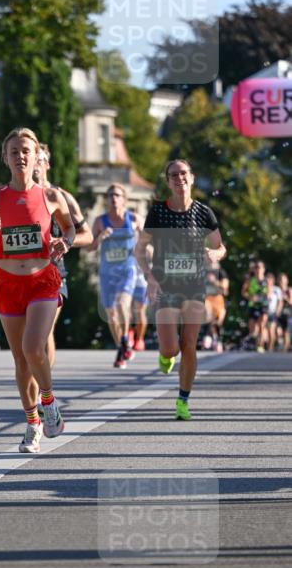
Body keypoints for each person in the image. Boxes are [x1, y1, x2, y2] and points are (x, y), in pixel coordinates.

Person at [0, 127, 75, 453]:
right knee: (20, 362)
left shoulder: (51, 196)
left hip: (42, 279)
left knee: (34, 348)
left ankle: (49, 402)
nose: (21, 156)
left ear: (35, 157)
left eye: (26, 151)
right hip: (7, 283)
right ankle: (32, 424)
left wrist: (64, 242)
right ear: (5, 158)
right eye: (14, 151)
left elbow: (70, 228)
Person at [135, 158, 226, 420]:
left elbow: (221, 246)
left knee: (189, 344)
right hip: (166, 285)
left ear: (192, 177)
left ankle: (183, 400)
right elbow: (139, 249)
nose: (179, 178)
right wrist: (149, 277)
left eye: (183, 173)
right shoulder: (158, 213)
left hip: (194, 286)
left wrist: (215, 254)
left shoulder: (204, 213)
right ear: (168, 182)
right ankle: (166, 356)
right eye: (173, 175)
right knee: (170, 348)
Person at [34, 143, 93, 367]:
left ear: (47, 164)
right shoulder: (20, 197)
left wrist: (66, 241)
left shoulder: (62, 197)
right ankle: (34, 381)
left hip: (54, 272)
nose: (35, 165)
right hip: (25, 272)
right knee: (28, 336)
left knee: (44, 330)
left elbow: (87, 236)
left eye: (40, 160)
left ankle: (44, 391)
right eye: (33, 159)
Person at [88, 183, 145, 368]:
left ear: (124, 200)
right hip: (107, 273)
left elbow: (149, 241)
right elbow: (88, 247)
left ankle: (124, 347)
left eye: (117, 195)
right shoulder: (99, 221)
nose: (114, 198)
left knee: (122, 304)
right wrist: (99, 238)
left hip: (127, 271)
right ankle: (122, 343)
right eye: (110, 195)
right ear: (107, 199)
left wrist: (141, 237)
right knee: (111, 315)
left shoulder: (134, 218)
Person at [241, 260, 268, 352]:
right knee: (252, 328)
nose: (258, 269)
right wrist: (250, 297)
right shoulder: (250, 280)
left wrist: (262, 297)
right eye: (256, 267)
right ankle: (253, 343)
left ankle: (260, 345)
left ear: (263, 269)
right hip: (253, 305)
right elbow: (243, 292)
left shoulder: (267, 280)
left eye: (260, 267)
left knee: (262, 324)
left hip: (263, 305)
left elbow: (270, 293)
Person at [203, 264, 229, 352]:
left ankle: (215, 339)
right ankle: (208, 337)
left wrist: (214, 281)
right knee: (208, 314)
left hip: (218, 299)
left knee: (217, 322)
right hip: (207, 298)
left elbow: (225, 290)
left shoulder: (221, 272)